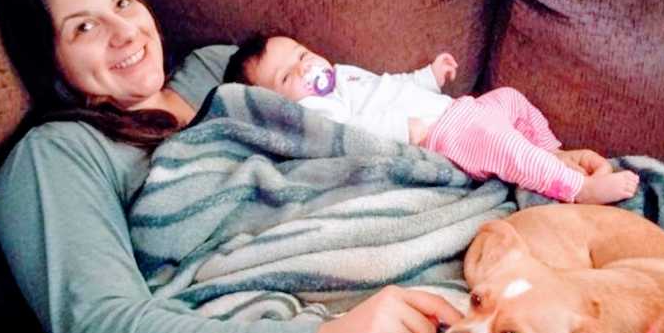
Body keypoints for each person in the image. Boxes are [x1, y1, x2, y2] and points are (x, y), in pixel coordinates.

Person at [0, 0, 463, 333]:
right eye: (83, 28)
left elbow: (350, 119)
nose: (125, 32)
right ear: (47, 59)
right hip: (336, 301)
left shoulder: (218, 68)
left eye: (123, 3)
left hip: (427, 216)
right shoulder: (55, 155)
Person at [223, 35, 640, 204]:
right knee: (501, 143)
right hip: (443, 136)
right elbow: (352, 135)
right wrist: (406, 131)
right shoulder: (318, 111)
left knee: (510, 100)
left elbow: (391, 84)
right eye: (286, 76)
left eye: (300, 54)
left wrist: (427, 76)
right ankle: (576, 189)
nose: (303, 68)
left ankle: (553, 154)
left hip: (458, 110)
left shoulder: (344, 74)